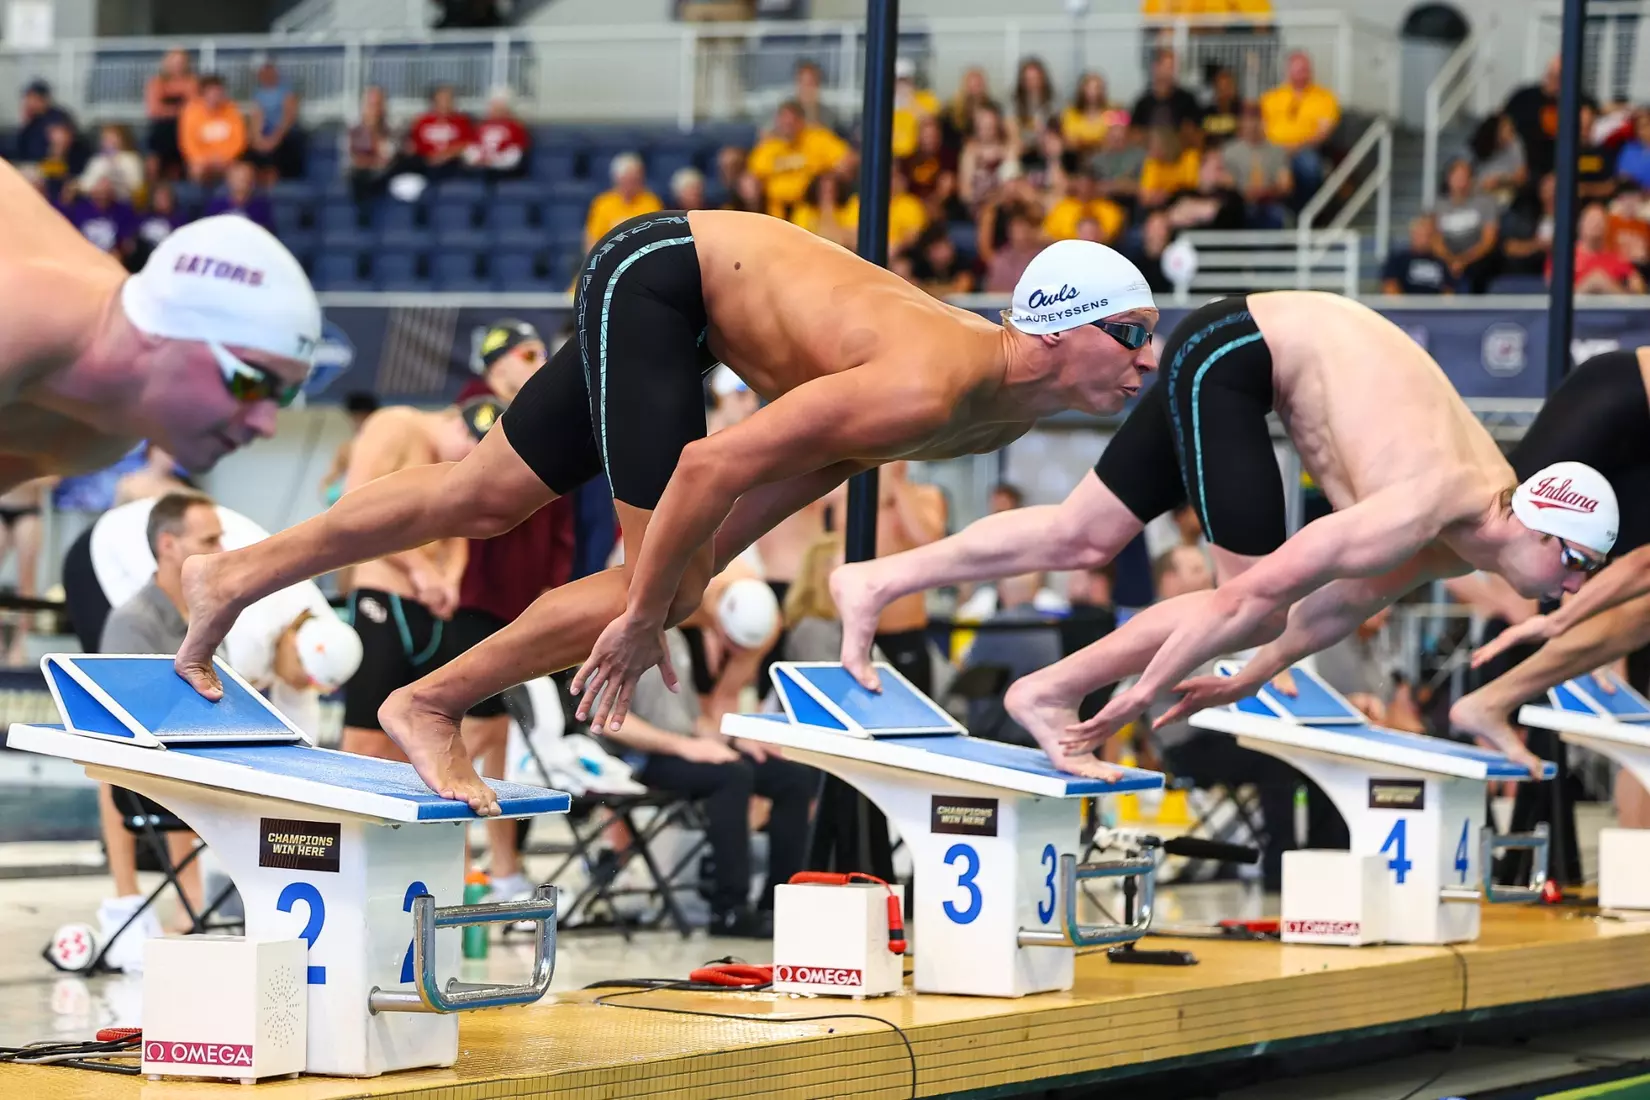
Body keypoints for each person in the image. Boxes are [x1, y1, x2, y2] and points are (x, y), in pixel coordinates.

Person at [173, 217, 1161, 811]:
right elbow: (710, 458)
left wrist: (675, 581)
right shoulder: (935, 383)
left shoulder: (986, 422)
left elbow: (799, 466)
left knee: (490, 494)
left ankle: (230, 577)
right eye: (1133, 334)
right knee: (657, 577)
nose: (1149, 359)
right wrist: (648, 610)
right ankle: (429, 701)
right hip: (663, 277)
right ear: (1063, 331)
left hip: (678, 299)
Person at [833, 291, 1618, 777]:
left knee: (1081, 535)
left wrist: (1250, 674)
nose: (1579, 588)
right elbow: (1253, 597)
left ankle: (872, 579)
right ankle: (1048, 690)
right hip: (1237, 355)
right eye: (1581, 567)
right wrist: (1137, 695)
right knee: (1252, 599)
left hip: (1235, 346)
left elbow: (1329, 614)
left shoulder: (1458, 537)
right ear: (1544, 535)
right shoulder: (1426, 504)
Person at [0, 159, 318, 495]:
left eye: (285, 395)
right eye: (249, 381)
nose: (266, 425)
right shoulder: (23, 318)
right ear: (158, 331)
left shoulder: (107, 434)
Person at [603, 614, 819, 937]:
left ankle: (780, 902)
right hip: (634, 760)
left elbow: (690, 719)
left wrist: (733, 739)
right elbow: (605, 719)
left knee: (793, 778)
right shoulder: (611, 633)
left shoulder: (670, 633)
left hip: (680, 746)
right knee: (732, 775)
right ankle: (729, 909)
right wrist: (682, 747)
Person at [747, 100, 851, 220]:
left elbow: (846, 159)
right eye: (784, 123)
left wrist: (831, 175)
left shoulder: (817, 139)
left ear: (801, 121)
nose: (788, 127)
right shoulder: (769, 146)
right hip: (775, 210)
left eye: (792, 123)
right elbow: (753, 175)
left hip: (809, 208)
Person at [1258, 52, 1339, 202]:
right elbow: (1261, 128)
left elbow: (1323, 133)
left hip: (1305, 150)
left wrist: (1295, 147)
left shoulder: (1324, 97)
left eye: (1307, 70)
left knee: (1310, 166)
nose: (1304, 74)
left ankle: (1304, 214)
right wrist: (1275, 149)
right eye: (1299, 70)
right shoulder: (1271, 97)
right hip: (1273, 149)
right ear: (1288, 71)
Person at [0, 477, 50, 665]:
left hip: (28, 510)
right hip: (3, 505)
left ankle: (19, 644)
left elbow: (54, 478)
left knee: (26, 585)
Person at [1431, 158, 1499, 293]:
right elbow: (1435, 239)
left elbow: (1488, 240)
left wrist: (1464, 260)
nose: (1461, 182)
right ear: (1448, 179)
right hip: (1448, 258)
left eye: (1465, 177)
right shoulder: (1439, 205)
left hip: (1476, 258)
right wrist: (1451, 260)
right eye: (1457, 176)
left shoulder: (1485, 203)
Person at [179, 74, 247, 186]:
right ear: (204, 93)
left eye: (219, 92)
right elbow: (188, 144)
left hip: (227, 161)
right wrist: (206, 160)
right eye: (212, 92)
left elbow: (239, 141)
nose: (216, 96)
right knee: (196, 170)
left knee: (242, 172)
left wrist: (225, 158)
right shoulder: (191, 112)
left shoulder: (232, 110)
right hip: (201, 162)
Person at [585, 153, 664, 252]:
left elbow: (658, 237)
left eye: (635, 180)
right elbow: (592, 241)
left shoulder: (651, 201)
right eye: (627, 180)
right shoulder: (603, 203)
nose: (631, 185)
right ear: (617, 179)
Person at [245, 60, 304, 184]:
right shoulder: (258, 94)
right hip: (266, 135)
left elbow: (288, 118)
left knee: (278, 153)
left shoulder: (286, 91)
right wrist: (257, 139)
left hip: (285, 136)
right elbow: (256, 117)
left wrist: (274, 140)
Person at [144, 49, 198, 181]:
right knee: (152, 163)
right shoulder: (156, 82)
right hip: (161, 130)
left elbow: (193, 108)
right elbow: (154, 110)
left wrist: (167, 109)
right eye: (174, 62)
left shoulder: (192, 82)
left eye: (180, 62)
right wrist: (180, 110)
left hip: (185, 130)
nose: (177, 66)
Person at [407, 85, 475, 180]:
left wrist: (446, 155)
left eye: (448, 99)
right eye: (442, 100)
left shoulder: (461, 121)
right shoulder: (422, 121)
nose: (445, 103)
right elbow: (414, 145)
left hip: (453, 165)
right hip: (425, 165)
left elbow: (467, 143)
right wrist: (430, 157)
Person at [345, 85, 396, 205]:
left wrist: (374, 131)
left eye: (378, 104)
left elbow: (387, 158)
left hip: (383, 176)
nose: (375, 110)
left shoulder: (392, 130)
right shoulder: (353, 130)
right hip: (359, 176)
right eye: (371, 105)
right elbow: (353, 160)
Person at [465, 88, 531, 181]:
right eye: (493, 105)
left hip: (504, 169)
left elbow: (516, 153)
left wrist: (494, 161)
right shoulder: (480, 126)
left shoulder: (515, 127)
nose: (495, 109)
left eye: (499, 106)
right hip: (480, 167)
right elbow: (472, 147)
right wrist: (478, 159)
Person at [1380, 215, 1451, 295]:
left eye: (1427, 234)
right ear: (1412, 234)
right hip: (1407, 305)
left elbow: (1448, 290)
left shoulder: (1440, 262)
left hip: (1435, 305)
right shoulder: (1398, 259)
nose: (1424, 238)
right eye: (1420, 233)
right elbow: (1390, 287)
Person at [202, 160, 276, 234]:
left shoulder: (261, 206)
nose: (241, 180)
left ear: (252, 179)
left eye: (245, 176)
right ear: (228, 179)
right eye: (237, 177)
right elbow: (208, 230)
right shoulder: (216, 206)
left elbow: (267, 233)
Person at [15, 79, 77, 167]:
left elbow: (58, 152)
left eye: (32, 98)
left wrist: (47, 171)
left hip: (56, 169)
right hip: (31, 166)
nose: (28, 102)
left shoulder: (56, 117)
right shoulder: (33, 120)